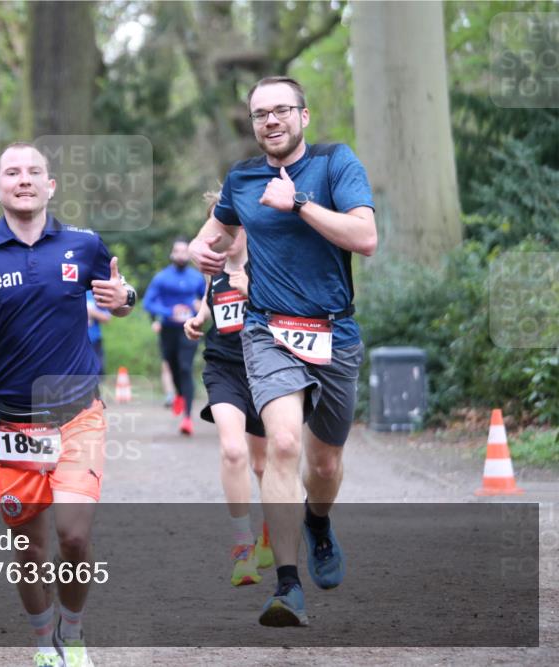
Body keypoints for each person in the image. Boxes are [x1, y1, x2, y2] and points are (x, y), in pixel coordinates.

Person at [0, 142, 136, 666]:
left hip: (76, 416)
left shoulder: (83, 244)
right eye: (13, 172)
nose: (25, 179)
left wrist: (124, 299)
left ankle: (73, 630)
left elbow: (119, 290)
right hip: (11, 423)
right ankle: (44, 642)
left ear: (51, 186)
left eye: (35, 171)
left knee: (72, 536)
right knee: (30, 550)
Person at [189, 76, 376, 627]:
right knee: (284, 443)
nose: (270, 122)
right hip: (267, 330)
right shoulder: (242, 178)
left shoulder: (336, 164)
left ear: (304, 115)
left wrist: (298, 204)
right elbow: (211, 235)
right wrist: (206, 252)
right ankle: (288, 587)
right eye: (260, 115)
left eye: (281, 111)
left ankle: (318, 521)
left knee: (324, 463)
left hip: (334, 333)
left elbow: (365, 238)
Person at [184, 193, 273, 588]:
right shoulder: (212, 269)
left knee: (263, 464)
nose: (225, 237)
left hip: (267, 369)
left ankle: (271, 530)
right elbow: (210, 302)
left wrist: (251, 289)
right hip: (223, 368)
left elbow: (291, 312)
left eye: (233, 228)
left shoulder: (268, 264)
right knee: (233, 450)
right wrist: (198, 319)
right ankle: (242, 549)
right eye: (218, 230)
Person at [141, 239, 206, 435]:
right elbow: (148, 303)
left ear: (189, 255)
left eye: (185, 251)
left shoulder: (197, 278)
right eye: (177, 251)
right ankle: (178, 394)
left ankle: (187, 417)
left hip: (189, 329)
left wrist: (201, 309)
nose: (181, 255)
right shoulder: (162, 277)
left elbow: (208, 300)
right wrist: (169, 311)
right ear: (172, 254)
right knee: (173, 365)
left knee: (185, 367)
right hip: (168, 329)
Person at [85, 290, 110, 374]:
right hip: (74, 341)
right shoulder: (69, 290)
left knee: (98, 373)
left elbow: (107, 318)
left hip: (94, 340)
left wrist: (91, 311)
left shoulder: (94, 292)